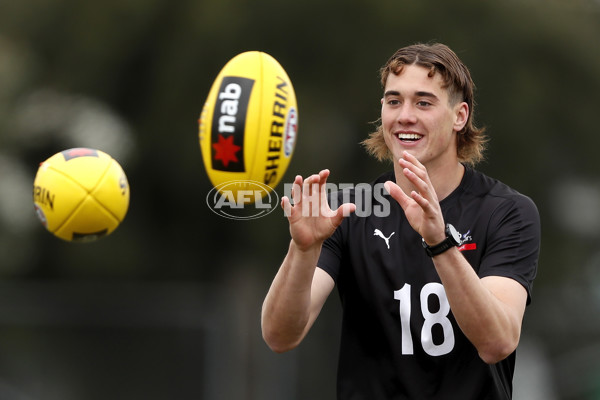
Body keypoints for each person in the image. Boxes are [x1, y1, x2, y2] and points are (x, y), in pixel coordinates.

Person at [261, 42, 540, 399]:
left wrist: (439, 243)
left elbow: (497, 342)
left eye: (423, 102)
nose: (405, 115)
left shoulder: (507, 211)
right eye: (394, 101)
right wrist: (302, 249)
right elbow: (280, 336)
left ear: (460, 116)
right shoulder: (349, 210)